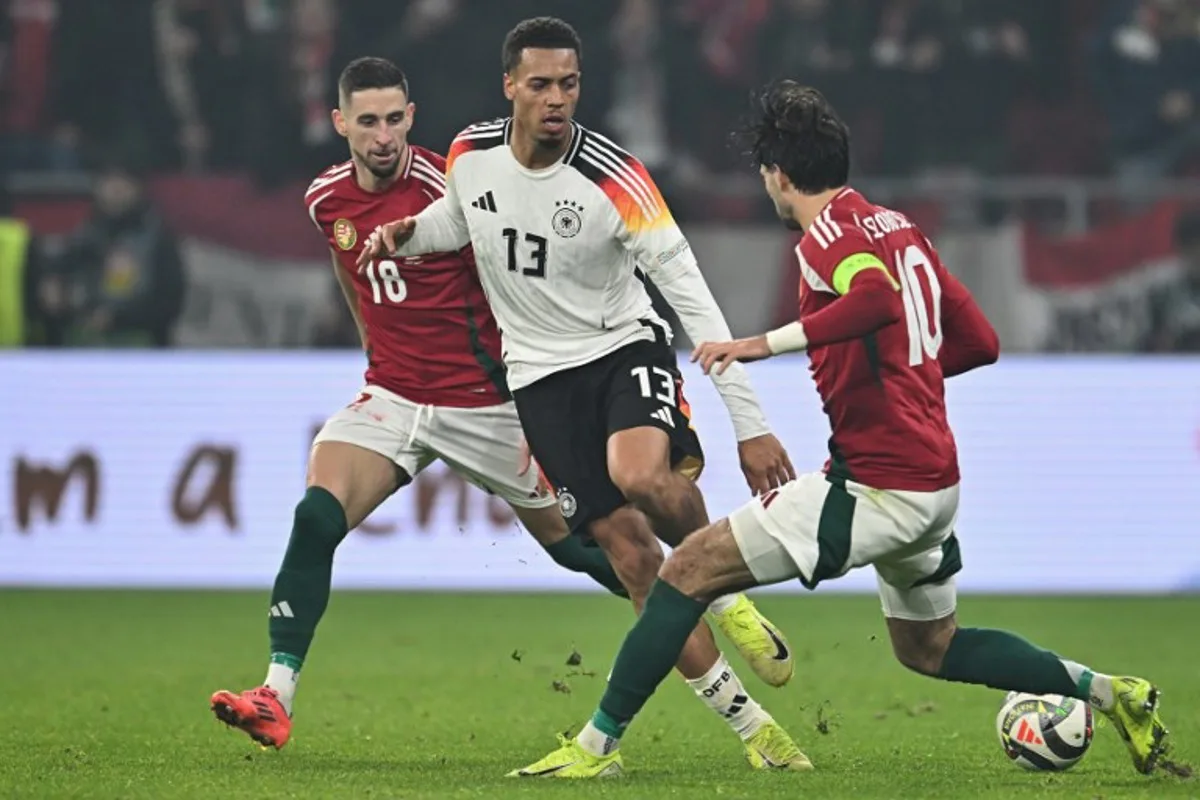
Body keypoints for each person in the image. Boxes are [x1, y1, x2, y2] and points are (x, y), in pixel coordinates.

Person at [510, 81, 1171, 778]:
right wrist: (901, 381)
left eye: (765, 172)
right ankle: (1111, 691)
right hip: (935, 485)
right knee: (929, 647)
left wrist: (761, 344)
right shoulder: (899, 228)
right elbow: (979, 342)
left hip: (877, 484)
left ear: (779, 174)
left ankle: (594, 749)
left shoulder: (827, 240)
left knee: (685, 570)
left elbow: (875, 297)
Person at [359, 18, 807, 770]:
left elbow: (692, 300)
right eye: (540, 84)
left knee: (640, 475)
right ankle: (755, 729)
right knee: (635, 561)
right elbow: (459, 219)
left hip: (619, 347)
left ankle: (727, 596)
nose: (557, 99)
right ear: (509, 87)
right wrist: (409, 233)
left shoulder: (615, 178)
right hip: (536, 378)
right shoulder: (469, 153)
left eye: (569, 84)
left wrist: (750, 425)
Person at [209, 56, 632, 750]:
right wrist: (374, 349)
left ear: (412, 116)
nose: (383, 136)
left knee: (580, 550)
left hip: (482, 404)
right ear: (341, 123)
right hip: (394, 395)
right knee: (316, 516)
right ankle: (275, 694)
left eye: (395, 119)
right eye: (367, 121)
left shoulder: (453, 192)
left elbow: (520, 289)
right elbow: (354, 277)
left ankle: (690, 598)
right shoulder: (325, 199)